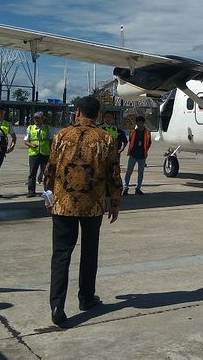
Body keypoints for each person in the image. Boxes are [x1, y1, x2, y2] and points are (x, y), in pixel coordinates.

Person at [45, 96, 122, 327]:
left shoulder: (61, 136)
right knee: (89, 252)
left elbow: (50, 168)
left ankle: (57, 305)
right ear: (98, 115)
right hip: (92, 205)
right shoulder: (105, 139)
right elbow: (113, 172)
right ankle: (86, 298)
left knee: (61, 255)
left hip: (63, 204)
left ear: (77, 112)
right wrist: (115, 201)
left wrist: (49, 195)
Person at [24, 111, 52, 198]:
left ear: (42, 119)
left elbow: (51, 141)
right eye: (35, 118)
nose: (36, 120)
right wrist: (32, 145)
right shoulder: (30, 128)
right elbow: (25, 141)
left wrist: (52, 152)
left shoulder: (47, 128)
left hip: (45, 154)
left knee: (46, 173)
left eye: (38, 118)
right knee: (32, 173)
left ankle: (47, 191)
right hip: (34, 154)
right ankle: (31, 191)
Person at [123, 115, 151, 195]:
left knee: (140, 172)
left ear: (143, 123)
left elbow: (149, 143)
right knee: (129, 172)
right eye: (137, 122)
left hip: (142, 155)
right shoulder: (133, 131)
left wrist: (145, 151)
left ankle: (138, 188)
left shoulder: (147, 133)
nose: (138, 124)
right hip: (133, 154)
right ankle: (126, 187)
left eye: (140, 122)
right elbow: (130, 140)